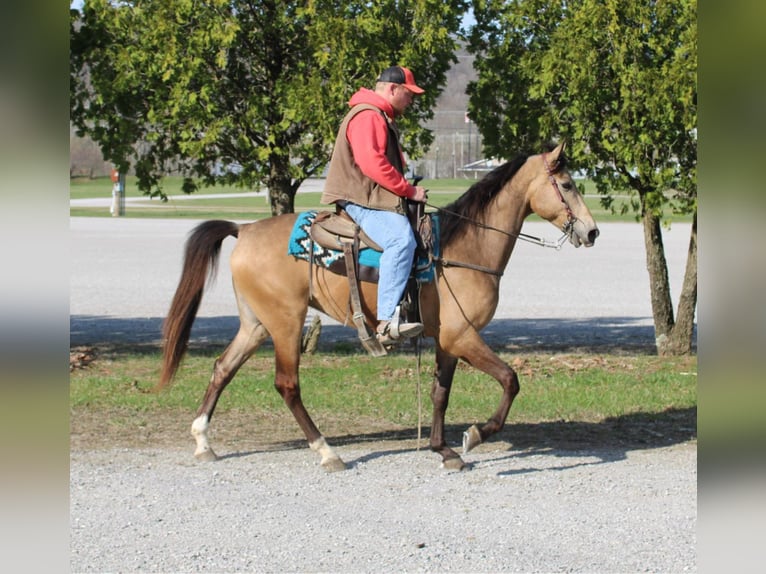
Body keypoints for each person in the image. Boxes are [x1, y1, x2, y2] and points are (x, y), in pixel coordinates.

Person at [321, 65, 428, 346]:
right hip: (360, 198)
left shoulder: (376, 114)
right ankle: (385, 322)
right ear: (392, 89)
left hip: (369, 196)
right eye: (409, 94)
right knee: (401, 240)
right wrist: (409, 190)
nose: (411, 101)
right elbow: (373, 164)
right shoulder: (369, 115)